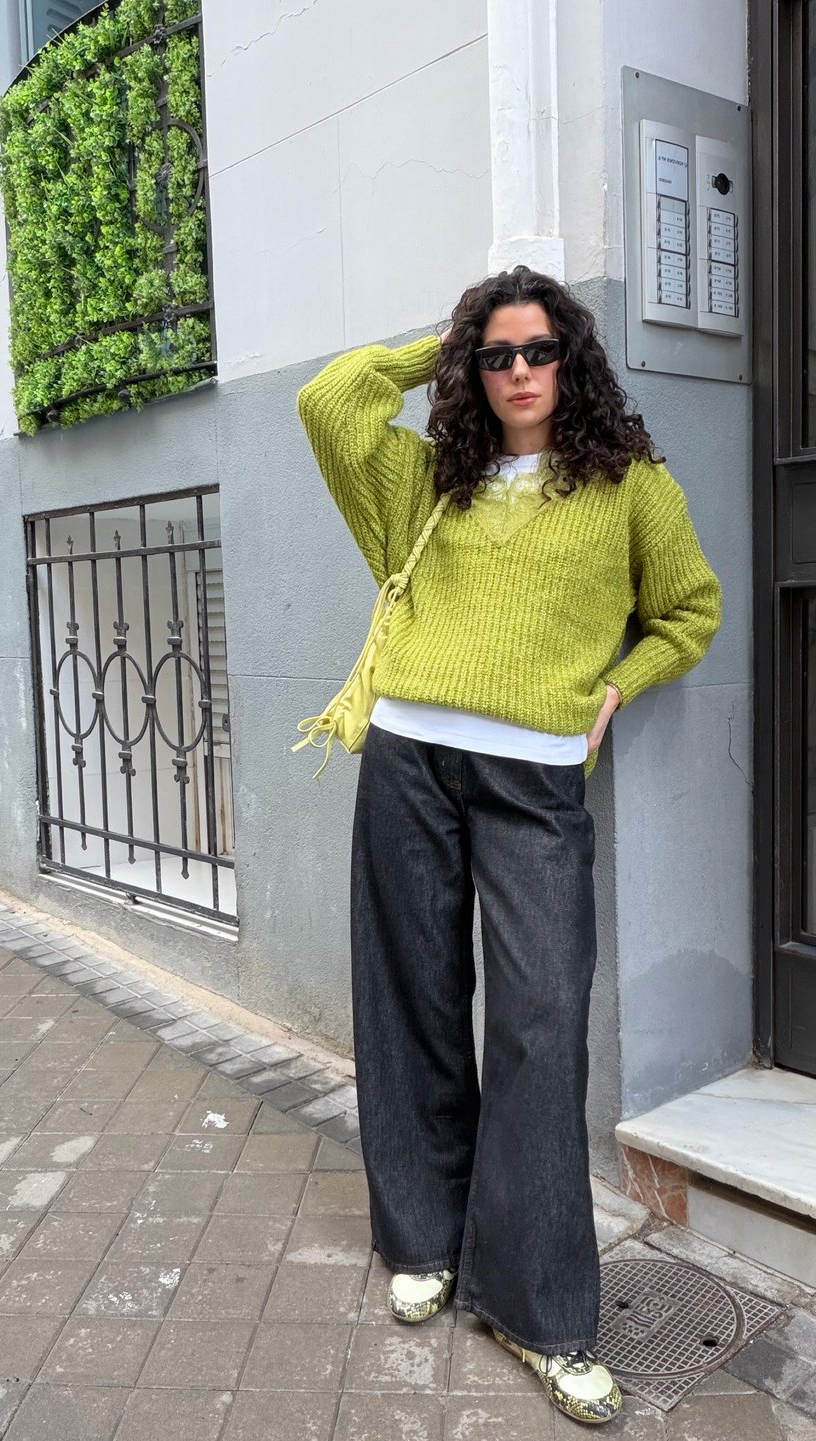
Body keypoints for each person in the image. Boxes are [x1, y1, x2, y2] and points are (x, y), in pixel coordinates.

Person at [297, 265, 721, 1426]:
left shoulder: (630, 484)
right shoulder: (425, 478)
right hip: (406, 759)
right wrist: (440, 340)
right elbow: (329, 401)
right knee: (412, 998)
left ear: (571, 359)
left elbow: (689, 609)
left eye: (538, 350)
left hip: (534, 780)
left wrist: (616, 688)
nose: (519, 371)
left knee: (539, 1020)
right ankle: (422, 1239)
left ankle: (539, 1311)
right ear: (470, 369)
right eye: (495, 355)